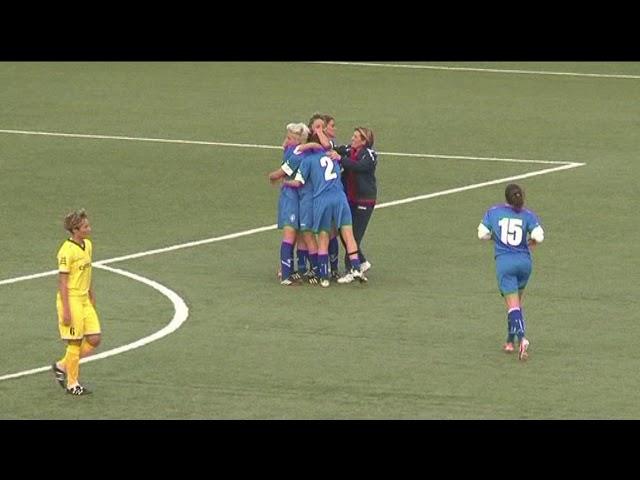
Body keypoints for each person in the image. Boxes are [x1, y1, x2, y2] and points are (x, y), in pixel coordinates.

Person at [283, 142, 367, 288]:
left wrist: (285, 182)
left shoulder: (308, 160)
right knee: (348, 235)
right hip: (340, 198)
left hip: (322, 200)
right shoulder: (332, 155)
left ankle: (324, 277)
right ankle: (356, 268)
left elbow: (298, 183)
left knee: (323, 237)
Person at [477, 184, 544, 361]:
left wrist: (495, 237)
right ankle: (509, 341)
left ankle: (522, 339)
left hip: (505, 263)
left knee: (512, 305)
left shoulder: (494, 212)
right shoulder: (528, 215)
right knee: (516, 304)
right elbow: (539, 236)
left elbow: (482, 233)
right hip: (524, 263)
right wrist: (531, 242)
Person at [51, 209, 101, 395]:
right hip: (71, 299)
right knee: (74, 342)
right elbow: (63, 281)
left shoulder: (87, 245)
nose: (89, 228)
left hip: (84, 299)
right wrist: (65, 309)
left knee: (95, 338)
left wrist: (91, 294)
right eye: (85, 226)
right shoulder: (66, 251)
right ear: (75, 229)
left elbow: (87, 273)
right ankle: (73, 384)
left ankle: (62, 365)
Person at [268, 122, 315, 285]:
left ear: (298, 140)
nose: (285, 140)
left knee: (294, 233)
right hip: (293, 197)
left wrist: (271, 176)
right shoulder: (299, 151)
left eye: (289, 138)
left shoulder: (296, 153)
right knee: (294, 233)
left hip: (293, 196)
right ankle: (288, 273)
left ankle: (288, 272)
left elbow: (281, 173)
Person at [334, 127, 378, 284]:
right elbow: (332, 148)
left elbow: (360, 166)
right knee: (344, 233)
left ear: (364, 141)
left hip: (364, 201)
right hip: (350, 199)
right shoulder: (348, 150)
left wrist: (339, 159)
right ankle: (362, 262)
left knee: (353, 236)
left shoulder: (369, 155)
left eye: (356, 137)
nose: (352, 139)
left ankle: (352, 270)